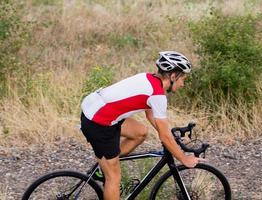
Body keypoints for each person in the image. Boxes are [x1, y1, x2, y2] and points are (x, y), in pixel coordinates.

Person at [80, 51, 201, 200]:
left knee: (140, 132)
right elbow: (164, 136)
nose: (183, 84)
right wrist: (184, 159)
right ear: (173, 76)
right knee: (114, 178)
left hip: (97, 110)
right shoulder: (157, 95)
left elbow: (151, 115)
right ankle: (106, 168)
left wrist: (170, 136)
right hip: (98, 122)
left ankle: (104, 164)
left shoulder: (148, 78)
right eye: (183, 78)